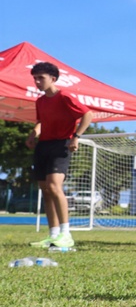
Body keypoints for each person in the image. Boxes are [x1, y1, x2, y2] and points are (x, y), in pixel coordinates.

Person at [26, 62, 93, 249]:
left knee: (55, 186)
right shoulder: (40, 101)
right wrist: (33, 134)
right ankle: (53, 234)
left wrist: (76, 137)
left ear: (53, 79)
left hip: (61, 144)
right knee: (46, 190)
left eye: (41, 78)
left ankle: (66, 234)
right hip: (43, 146)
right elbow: (40, 122)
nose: (37, 82)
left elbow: (88, 115)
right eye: (35, 78)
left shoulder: (64, 96)